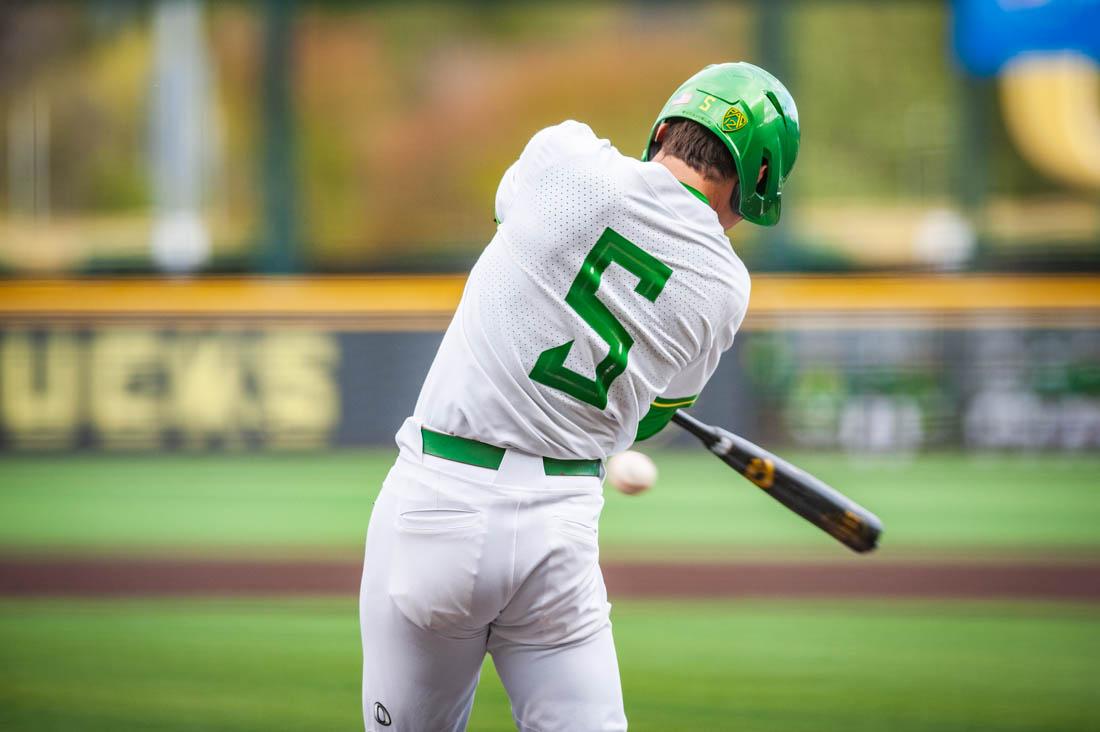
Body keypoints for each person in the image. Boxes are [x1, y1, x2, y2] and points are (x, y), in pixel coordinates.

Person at [359, 62, 800, 731]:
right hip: (558, 531)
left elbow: (512, 219)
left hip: (436, 503)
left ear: (664, 131)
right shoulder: (726, 289)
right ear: (758, 177)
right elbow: (650, 420)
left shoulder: (566, 157)